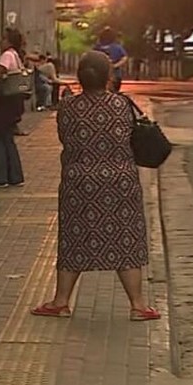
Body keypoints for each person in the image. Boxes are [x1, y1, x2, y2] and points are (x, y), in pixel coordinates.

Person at [32, 51, 158, 321]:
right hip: (121, 183)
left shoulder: (67, 107)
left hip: (79, 184)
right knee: (126, 240)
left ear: (79, 77)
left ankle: (61, 301)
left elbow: (65, 138)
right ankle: (138, 305)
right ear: (108, 77)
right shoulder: (123, 105)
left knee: (74, 239)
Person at [0, 28, 27, 188]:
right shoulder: (16, 55)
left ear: (9, 42)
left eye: (3, 38)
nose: (0, 42)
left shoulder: (7, 55)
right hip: (13, 105)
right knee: (8, 139)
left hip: (3, 105)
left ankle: (0, 176)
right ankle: (14, 176)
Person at [94, 27, 128, 92]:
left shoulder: (97, 47)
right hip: (114, 75)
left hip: (100, 76)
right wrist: (116, 65)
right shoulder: (117, 47)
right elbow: (124, 57)